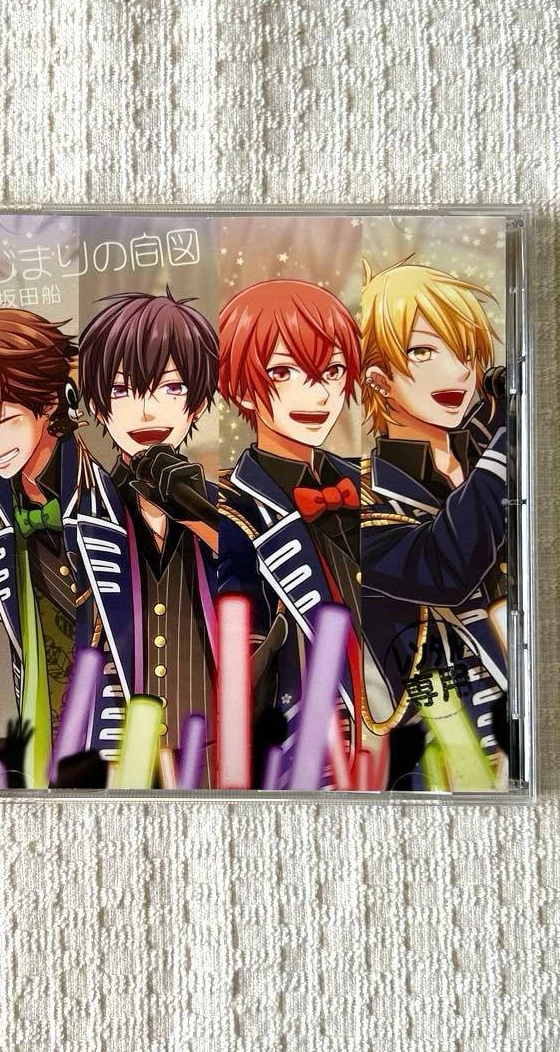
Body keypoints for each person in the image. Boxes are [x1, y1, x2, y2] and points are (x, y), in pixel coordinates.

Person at [0, 307, 125, 787]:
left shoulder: (114, 491)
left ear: (51, 401)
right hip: (39, 722)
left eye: (3, 420)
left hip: (123, 724)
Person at [358, 257, 511, 790]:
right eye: (422, 351)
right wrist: (508, 440)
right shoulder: (361, 497)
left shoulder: (483, 459)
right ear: (377, 377)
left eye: (465, 350)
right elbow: (445, 567)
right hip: (439, 760)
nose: (457, 371)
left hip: (522, 729)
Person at [217, 278, 365, 784]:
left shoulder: (366, 484)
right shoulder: (232, 508)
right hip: (304, 742)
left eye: (332, 371)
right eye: (283, 371)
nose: (316, 393)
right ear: (242, 387)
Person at [77, 288, 220, 784]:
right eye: (122, 391)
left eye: (172, 388)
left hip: (210, 743)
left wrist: (192, 510)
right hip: (116, 749)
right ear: (98, 405)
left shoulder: (222, 509)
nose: (146, 411)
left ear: (197, 402)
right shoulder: (88, 509)